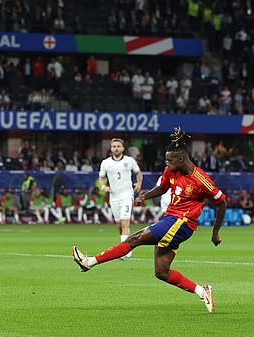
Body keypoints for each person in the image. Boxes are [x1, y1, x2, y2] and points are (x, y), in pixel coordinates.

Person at [73, 128, 226, 313]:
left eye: (169, 160)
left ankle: (89, 262)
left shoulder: (201, 180)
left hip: (183, 223)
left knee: (133, 239)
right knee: (161, 272)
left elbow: (221, 202)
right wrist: (145, 196)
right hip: (171, 219)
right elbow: (161, 188)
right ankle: (203, 291)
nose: (167, 164)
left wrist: (216, 232)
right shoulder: (171, 170)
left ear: (181, 159)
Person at [98, 138, 143, 258]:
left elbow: (138, 173)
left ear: (122, 148)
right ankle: (124, 246)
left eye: (118, 146)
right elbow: (101, 177)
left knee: (124, 223)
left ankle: (126, 252)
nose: (116, 148)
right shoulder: (105, 163)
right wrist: (103, 187)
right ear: (111, 148)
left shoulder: (129, 161)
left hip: (127, 195)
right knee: (119, 225)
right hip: (114, 197)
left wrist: (138, 184)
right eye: (114, 146)